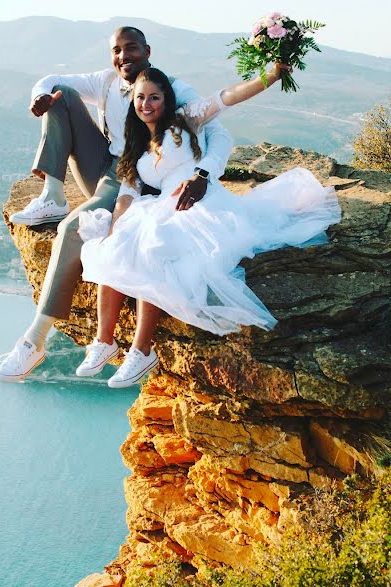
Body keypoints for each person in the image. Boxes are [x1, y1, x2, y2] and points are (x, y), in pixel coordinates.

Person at [74, 67, 341, 388]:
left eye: (154, 97)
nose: (146, 104)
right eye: (140, 98)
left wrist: (270, 76)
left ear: (167, 99)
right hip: (165, 207)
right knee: (113, 250)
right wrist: (114, 231)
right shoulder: (136, 146)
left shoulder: (184, 120)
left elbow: (227, 97)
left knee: (155, 249)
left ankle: (142, 350)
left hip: (202, 202)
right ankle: (104, 342)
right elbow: (127, 196)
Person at [0, 26, 233, 382]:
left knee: (72, 229)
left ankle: (34, 340)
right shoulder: (106, 81)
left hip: (131, 176)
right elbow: (51, 78)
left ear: (147, 50)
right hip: (104, 164)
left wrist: (203, 174)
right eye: (117, 50)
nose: (123, 57)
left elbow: (219, 133)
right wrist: (42, 93)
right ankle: (54, 194)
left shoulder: (171, 89)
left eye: (131, 48)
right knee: (62, 96)